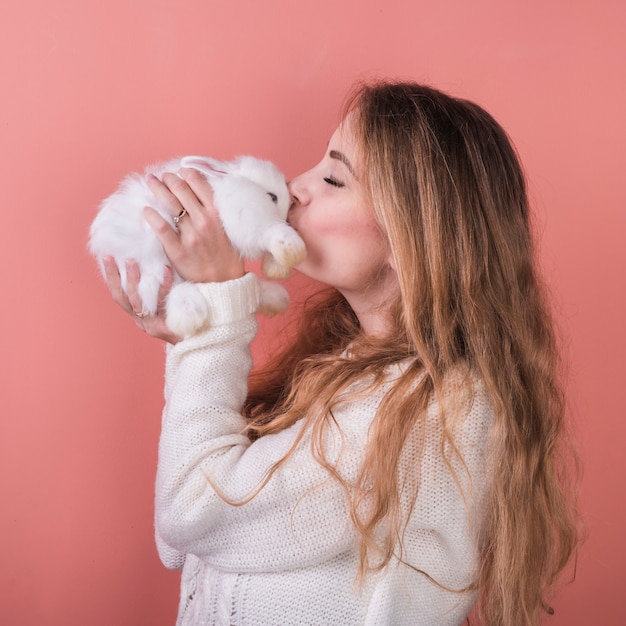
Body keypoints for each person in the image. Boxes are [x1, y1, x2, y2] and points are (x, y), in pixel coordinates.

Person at [103, 81, 581, 625]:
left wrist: (213, 320)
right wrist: (193, 332)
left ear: (412, 241)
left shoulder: (434, 411)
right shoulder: (350, 365)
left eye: (333, 177)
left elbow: (190, 515)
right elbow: (192, 547)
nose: (294, 187)